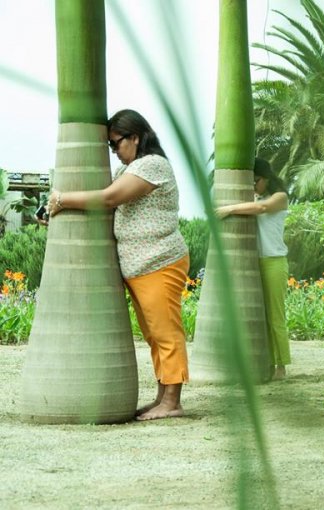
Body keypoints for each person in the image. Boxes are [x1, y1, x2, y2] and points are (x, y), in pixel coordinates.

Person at [48, 109, 190, 421]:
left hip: (159, 262)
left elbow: (110, 199)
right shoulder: (131, 168)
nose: (114, 151)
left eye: (116, 143)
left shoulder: (152, 165)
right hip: (140, 267)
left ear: (136, 137)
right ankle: (163, 397)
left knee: (165, 332)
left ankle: (173, 402)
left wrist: (63, 200)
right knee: (154, 334)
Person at [216, 158, 291, 379]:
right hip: (254, 264)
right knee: (260, 318)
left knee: (275, 317)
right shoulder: (254, 197)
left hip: (274, 262)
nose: (253, 186)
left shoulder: (280, 198)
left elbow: (262, 208)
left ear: (266, 178)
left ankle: (281, 367)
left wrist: (228, 208)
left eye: (255, 181)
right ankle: (265, 363)